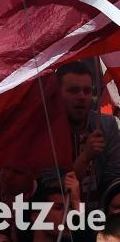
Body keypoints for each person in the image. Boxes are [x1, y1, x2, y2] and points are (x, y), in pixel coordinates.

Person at [57, 61, 120, 210]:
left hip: (100, 217)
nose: (81, 96)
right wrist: (85, 158)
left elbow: (114, 178)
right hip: (63, 220)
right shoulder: (47, 131)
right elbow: (55, 189)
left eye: (87, 90)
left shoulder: (106, 125)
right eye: (73, 90)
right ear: (58, 94)